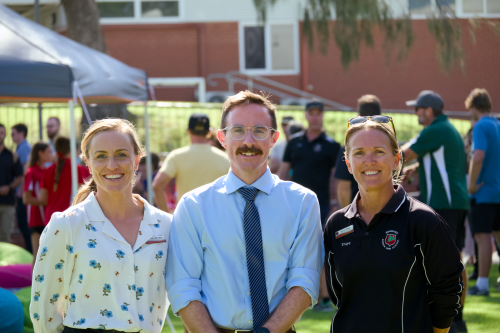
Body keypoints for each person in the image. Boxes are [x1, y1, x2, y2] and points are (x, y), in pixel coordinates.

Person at [165, 91, 323, 333]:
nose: (248, 141)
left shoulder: (302, 202)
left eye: (259, 131)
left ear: (274, 139)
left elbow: (305, 281)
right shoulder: (193, 206)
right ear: (222, 138)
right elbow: (183, 285)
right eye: (238, 130)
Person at [30, 119, 172, 333]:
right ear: (88, 162)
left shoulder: (165, 225)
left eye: (122, 154)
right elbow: (45, 306)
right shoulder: (66, 225)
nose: (112, 165)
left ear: (136, 160)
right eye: (101, 156)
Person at [324, 116, 464, 333]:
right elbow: (339, 295)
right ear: (349, 164)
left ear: (397, 159)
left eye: (379, 151)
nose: (369, 160)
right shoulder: (336, 225)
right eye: (359, 153)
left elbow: (447, 292)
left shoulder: (424, 221)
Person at [401, 90, 469, 332]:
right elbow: (437, 159)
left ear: (428, 111)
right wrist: (416, 168)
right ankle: (455, 316)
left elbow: (402, 156)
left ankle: (456, 319)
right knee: (452, 260)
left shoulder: (435, 130)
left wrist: (379, 158)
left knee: (450, 263)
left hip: (444, 204)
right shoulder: (445, 129)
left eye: (417, 109)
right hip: (451, 203)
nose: (415, 113)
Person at [278, 101, 340, 312]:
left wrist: (336, 203)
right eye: (311, 113)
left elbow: (337, 177)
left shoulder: (332, 145)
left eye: (318, 114)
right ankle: (290, 295)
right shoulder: (294, 143)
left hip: (320, 205)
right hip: (292, 205)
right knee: (288, 248)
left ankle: (323, 298)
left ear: (322, 116)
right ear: (305, 116)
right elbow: (284, 171)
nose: (315, 117)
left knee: (319, 250)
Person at [152, 113, 229, 213]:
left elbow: (157, 185)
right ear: (209, 131)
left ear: (188, 130)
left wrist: (166, 215)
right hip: (216, 218)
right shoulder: (225, 158)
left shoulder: (177, 156)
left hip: (186, 218)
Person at [465, 88, 500, 297]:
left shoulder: (480, 126)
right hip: (498, 192)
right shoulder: (498, 124)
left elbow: (477, 157)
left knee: (482, 237)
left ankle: (483, 284)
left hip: (483, 193)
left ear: (472, 106)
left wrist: (471, 185)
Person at [335, 94, 382, 208]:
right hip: (389, 211)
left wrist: (347, 216)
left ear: (358, 115)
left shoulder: (349, 146)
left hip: (359, 213)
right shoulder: (388, 145)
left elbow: (344, 187)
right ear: (380, 115)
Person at [39, 137, 90, 225]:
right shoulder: (80, 170)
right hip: (71, 219)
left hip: (50, 219)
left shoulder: (48, 171)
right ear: (75, 151)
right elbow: (84, 198)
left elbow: (42, 198)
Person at [22, 142, 52, 264]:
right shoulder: (31, 172)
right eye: (49, 152)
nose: (52, 154)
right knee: (38, 255)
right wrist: (43, 202)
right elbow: (26, 198)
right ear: (40, 153)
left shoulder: (47, 171)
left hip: (48, 217)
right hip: (36, 219)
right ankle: (34, 283)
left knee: (48, 254)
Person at [0, 124, 24, 243]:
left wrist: (9, 187)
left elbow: (20, 177)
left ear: (5, 135)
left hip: (7, 203)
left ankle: (4, 262)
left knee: (5, 236)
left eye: (2, 132)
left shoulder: (13, 156)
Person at [11, 124, 33, 252]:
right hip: (20, 191)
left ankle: (30, 250)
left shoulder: (24, 148)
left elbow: (25, 171)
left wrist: (21, 191)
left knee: (24, 222)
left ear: (21, 133)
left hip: (21, 191)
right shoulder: (21, 147)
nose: (11, 136)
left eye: (13, 133)